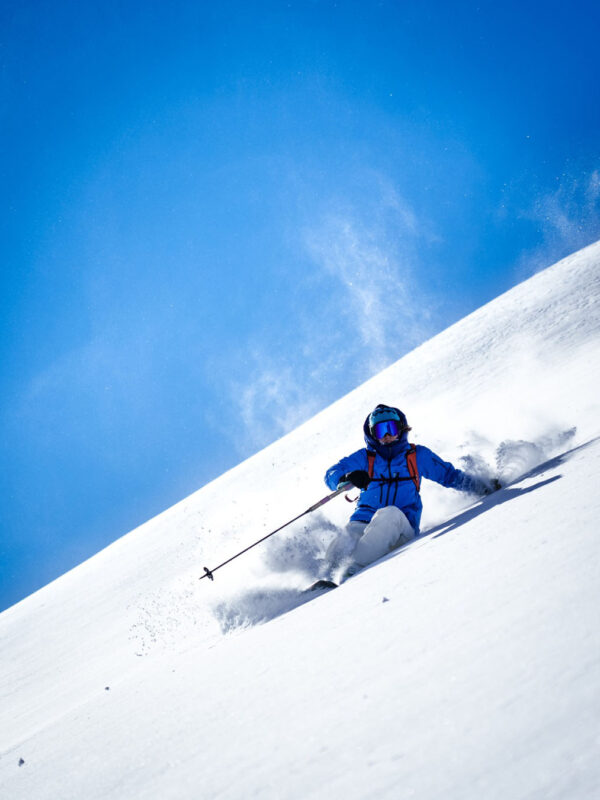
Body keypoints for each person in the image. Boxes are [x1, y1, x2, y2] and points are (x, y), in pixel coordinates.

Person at [323, 404, 498, 582]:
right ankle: (326, 578)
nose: (387, 436)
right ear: (372, 435)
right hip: (364, 523)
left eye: (391, 428)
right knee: (349, 534)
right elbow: (331, 474)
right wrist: (346, 477)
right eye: (380, 431)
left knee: (389, 514)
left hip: (401, 531)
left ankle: (352, 571)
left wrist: (483, 486)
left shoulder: (416, 456)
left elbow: (450, 476)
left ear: (401, 429)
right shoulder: (364, 458)